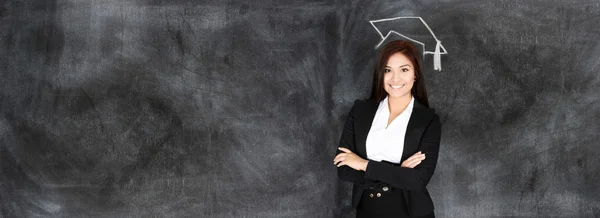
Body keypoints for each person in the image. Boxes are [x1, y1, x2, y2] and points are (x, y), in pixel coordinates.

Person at [333, 40, 442, 218]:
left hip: (411, 212)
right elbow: (343, 168)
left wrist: (363, 164)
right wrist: (399, 172)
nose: (395, 79)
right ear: (380, 74)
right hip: (368, 211)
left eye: (404, 70)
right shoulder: (360, 111)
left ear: (415, 75)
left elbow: (418, 180)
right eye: (387, 70)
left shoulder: (428, 120)